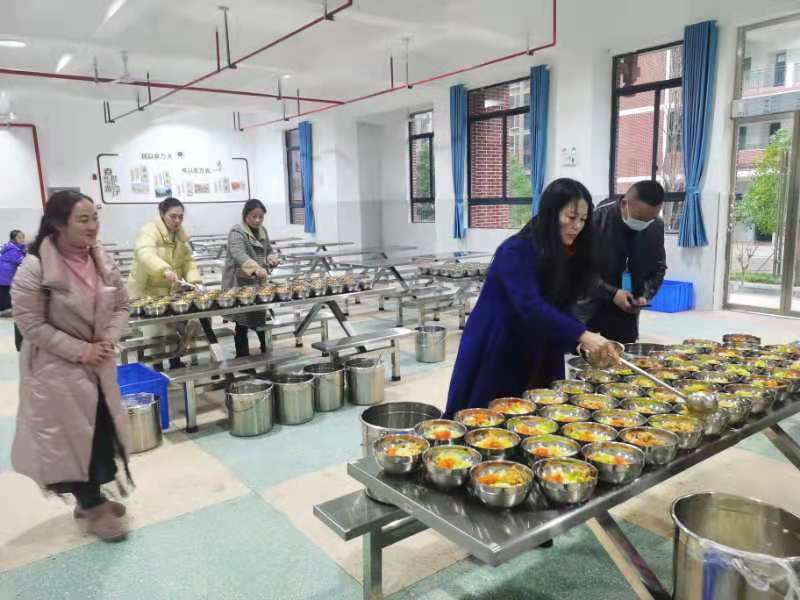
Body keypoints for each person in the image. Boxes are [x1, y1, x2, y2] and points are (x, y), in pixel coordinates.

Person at [11, 190, 132, 542]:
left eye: (95, 218)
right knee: (71, 440)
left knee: (100, 432)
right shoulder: (34, 267)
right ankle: (91, 506)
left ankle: (92, 499)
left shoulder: (101, 258)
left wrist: (107, 339)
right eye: (83, 219)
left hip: (98, 365)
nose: (93, 226)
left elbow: (122, 305)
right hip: (57, 370)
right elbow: (30, 325)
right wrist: (82, 350)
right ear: (58, 224)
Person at [445, 178, 617, 416]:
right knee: (487, 413)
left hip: (540, 342)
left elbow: (561, 306)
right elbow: (529, 305)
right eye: (571, 217)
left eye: (583, 219)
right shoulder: (516, 249)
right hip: (499, 340)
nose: (577, 226)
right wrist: (581, 333)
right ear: (551, 213)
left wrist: (578, 342)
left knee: (538, 411)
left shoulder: (565, 252)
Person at [575, 180, 667, 344]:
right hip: (591, 306)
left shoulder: (656, 226)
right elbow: (579, 268)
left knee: (623, 353)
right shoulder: (595, 220)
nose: (644, 224)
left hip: (627, 309)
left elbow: (658, 267)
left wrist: (644, 295)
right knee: (587, 353)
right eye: (640, 219)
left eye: (650, 219)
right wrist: (613, 293)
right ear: (624, 204)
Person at [128, 197, 202, 370]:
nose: (177, 221)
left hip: (168, 291)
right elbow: (145, 254)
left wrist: (195, 281)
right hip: (146, 290)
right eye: (173, 216)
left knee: (173, 327)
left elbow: (188, 262)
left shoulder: (180, 236)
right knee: (155, 334)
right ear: (162, 214)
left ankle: (175, 363)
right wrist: (164, 269)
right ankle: (157, 367)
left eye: (180, 217)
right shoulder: (149, 231)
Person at [222, 199, 281, 357]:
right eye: (254, 216)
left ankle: (265, 352)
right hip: (238, 283)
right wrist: (255, 268)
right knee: (242, 321)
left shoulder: (262, 231)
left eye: (261, 217)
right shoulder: (237, 232)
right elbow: (239, 254)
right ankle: (242, 357)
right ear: (245, 216)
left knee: (259, 317)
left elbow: (268, 250)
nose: (257, 220)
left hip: (257, 282)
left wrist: (271, 258)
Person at [0, 229, 26, 316]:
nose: (22, 239)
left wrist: (24, 249)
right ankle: (4, 311)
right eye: (19, 237)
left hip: (5, 274)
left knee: (5, 292)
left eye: (23, 237)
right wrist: (26, 253)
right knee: (5, 293)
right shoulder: (12, 249)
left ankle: (5, 309)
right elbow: (20, 260)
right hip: (4, 274)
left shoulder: (14, 248)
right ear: (13, 239)